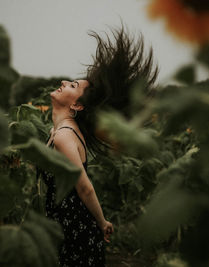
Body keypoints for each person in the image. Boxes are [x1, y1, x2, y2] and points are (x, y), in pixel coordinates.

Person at [39, 26, 158, 267]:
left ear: (78, 106)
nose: (63, 82)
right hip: (65, 231)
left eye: (72, 86)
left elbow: (85, 188)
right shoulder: (60, 132)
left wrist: (102, 223)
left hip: (74, 233)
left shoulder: (64, 137)